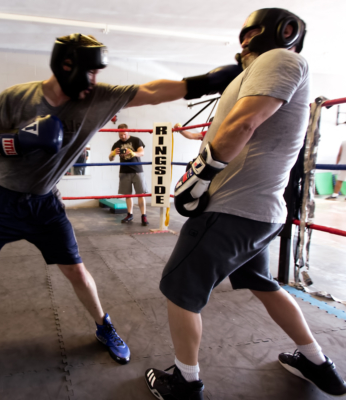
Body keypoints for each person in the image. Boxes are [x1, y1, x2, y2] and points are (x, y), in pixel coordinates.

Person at [0, 33, 241, 372]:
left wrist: (206, 81)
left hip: (46, 205)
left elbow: (151, 92)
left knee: (76, 270)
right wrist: (17, 141)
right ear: (67, 66)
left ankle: (103, 325)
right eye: (90, 71)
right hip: (4, 202)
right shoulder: (17, 97)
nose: (94, 79)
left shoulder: (98, 98)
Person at [145, 8, 346, 400]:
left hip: (233, 209)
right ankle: (318, 364)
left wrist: (199, 175)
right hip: (259, 212)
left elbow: (243, 124)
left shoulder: (281, 58)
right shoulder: (254, 74)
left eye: (251, 32)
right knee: (260, 281)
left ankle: (185, 383)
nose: (243, 42)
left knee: (179, 287)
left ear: (282, 32)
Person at [109, 124, 149, 226]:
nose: (123, 136)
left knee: (140, 194)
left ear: (128, 132)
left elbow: (142, 152)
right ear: (118, 133)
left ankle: (143, 216)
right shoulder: (116, 144)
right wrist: (113, 154)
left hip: (137, 170)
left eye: (125, 134)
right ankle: (129, 214)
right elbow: (110, 158)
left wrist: (133, 153)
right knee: (128, 195)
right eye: (121, 134)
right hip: (124, 171)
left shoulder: (136, 140)